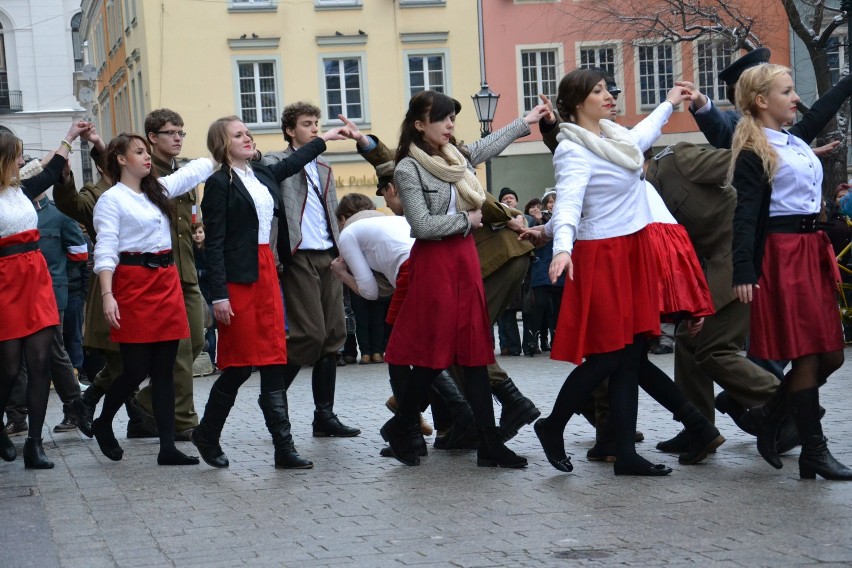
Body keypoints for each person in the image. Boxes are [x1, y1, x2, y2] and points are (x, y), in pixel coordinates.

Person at [530, 69, 718, 476]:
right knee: (607, 357)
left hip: (633, 251)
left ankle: (626, 455)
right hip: (602, 254)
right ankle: (552, 425)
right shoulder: (573, 149)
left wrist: (669, 102)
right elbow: (568, 204)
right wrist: (561, 247)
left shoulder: (615, 138)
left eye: (607, 90)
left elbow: (644, 133)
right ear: (578, 101)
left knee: (631, 358)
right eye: (598, 91)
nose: (608, 96)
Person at [379, 90, 548, 467]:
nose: (450, 124)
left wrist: (527, 121)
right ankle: (403, 423)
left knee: (474, 351)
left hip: (464, 260)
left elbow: (488, 145)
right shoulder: (408, 167)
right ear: (419, 125)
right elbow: (420, 225)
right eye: (441, 118)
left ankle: (488, 444)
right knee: (432, 355)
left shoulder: (457, 157)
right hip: (436, 263)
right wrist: (466, 221)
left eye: (452, 117)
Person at [192, 116, 345, 469]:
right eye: (237, 135)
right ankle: (207, 434)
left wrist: (324, 139)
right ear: (222, 144)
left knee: (275, 356)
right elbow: (213, 244)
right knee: (240, 365)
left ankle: (283, 448)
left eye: (247, 133)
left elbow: (293, 161)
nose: (246, 137)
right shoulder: (218, 184)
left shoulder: (262, 173)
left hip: (267, 271)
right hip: (238, 278)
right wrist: (218, 296)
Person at [730, 64, 852, 480]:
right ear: (762, 101)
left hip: (811, 250)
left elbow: (820, 110)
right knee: (806, 354)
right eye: (787, 91)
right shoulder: (754, 150)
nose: (796, 98)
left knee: (831, 355)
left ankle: (768, 416)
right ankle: (814, 450)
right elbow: (745, 215)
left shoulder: (793, 139)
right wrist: (744, 269)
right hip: (781, 255)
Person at [90, 132, 216, 466]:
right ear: (120, 159)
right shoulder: (111, 199)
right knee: (134, 370)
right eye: (140, 152)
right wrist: (107, 295)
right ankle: (103, 422)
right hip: (132, 283)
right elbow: (105, 249)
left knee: (164, 371)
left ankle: (167, 448)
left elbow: (192, 172)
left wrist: (221, 150)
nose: (147, 157)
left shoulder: (156, 191)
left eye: (147, 152)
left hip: (166, 282)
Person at [262, 102, 360, 438]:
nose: (316, 129)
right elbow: (281, 171)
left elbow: (332, 213)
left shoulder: (324, 167)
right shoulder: (276, 160)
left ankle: (324, 416)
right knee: (310, 335)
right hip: (297, 254)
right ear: (290, 130)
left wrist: (343, 250)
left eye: (317, 123)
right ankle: (271, 396)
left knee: (333, 336)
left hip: (327, 254)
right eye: (308, 124)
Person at [0, 123, 85, 468]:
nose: (22, 160)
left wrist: (71, 136)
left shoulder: (22, 189)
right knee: (8, 368)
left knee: (39, 363)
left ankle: (35, 445)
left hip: (36, 279)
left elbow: (52, 169)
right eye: (17, 154)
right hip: (5, 282)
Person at [192, 222, 217, 369]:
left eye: (200, 232)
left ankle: (212, 360)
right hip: (197, 293)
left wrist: (200, 273)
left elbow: (213, 270)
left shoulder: (210, 250)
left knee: (210, 328)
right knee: (201, 329)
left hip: (210, 294)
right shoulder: (190, 251)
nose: (197, 235)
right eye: (195, 233)